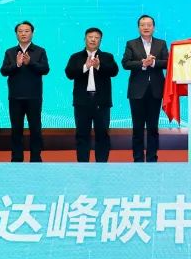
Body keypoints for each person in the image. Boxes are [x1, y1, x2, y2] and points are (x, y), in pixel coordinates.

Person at [65, 27, 119, 162]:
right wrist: (86, 67)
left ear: (100, 40)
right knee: (82, 135)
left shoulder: (107, 56)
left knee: (102, 134)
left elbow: (114, 71)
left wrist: (99, 66)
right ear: (85, 39)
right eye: (90, 37)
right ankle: (83, 165)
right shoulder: (76, 57)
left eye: (96, 38)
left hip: (102, 102)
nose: (93, 40)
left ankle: (102, 165)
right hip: (82, 102)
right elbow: (69, 73)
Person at [0, 20, 49, 162]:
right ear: (16, 34)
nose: (23, 34)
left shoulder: (40, 51)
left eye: (27, 31)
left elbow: (45, 69)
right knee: (16, 129)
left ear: (32, 33)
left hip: (34, 97)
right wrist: (16, 64)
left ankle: (35, 158)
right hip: (15, 97)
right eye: (20, 31)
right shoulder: (10, 52)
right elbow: (3, 71)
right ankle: (16, 158)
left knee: (35, 129)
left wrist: (30, 63)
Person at [121, 14, 169, 162]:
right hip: (137, 92)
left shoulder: (161, 43)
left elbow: (168, 62)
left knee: (153, 127)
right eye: (143, 25)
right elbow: (125, 63)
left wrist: (153, 63)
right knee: (138, 128)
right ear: (138, 28)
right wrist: (142, 63)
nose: (146, 27)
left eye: (149, 25)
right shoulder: (131, 44)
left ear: (154, 28)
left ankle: (152, 158)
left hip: (156, 90)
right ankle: (138, 159)